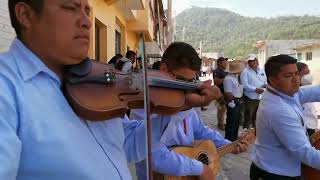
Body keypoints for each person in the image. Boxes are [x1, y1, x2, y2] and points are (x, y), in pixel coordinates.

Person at [0, 1, 218, 180]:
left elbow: (128, 145)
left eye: (86, 10)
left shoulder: (95, 81)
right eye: (70, 7)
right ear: (25, 15)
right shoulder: (7, 87)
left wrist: (179, 107)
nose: (85, 21)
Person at [129, 42, 249, 180]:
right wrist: (198, 168)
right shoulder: (143, 102)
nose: (186, 88)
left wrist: (228, 145)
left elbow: (200, 130)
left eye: (191, 82)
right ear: (164, 69)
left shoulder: (185, 95)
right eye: (182, 81)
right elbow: (152, 155)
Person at [250, 54, 320, 180]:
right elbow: (305, 153)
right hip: (275, 174)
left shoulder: (284, 92)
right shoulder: (279, 110)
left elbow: (313, 92)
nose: (296, 80)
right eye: (288, 76)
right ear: (272, 80)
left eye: (296, 74)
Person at [240, 54, 267, 129]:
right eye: (250, 61)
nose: (252, 63)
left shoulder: (261, 70)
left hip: (260, 97)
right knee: (248, 117)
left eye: (253, 61)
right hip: (249, 98)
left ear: (256, 60)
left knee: (257, 117)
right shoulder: (245, 71)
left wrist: (265, 85)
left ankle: (254, 135)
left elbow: (264, 81)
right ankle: (245, 134)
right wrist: (255, 89)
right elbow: (244, 85)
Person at [223, 62, 244, 141]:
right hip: (233, 101)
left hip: (237, 101)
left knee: (236, 122)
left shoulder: (234, 77)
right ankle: (228, 142)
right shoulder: (228, 79)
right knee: (231, 123)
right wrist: (231, 103)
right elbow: (228, 93)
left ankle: (233, 140)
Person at [297, 62, 318, 136]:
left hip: (311, 125)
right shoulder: (298, 91)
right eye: (305, 73)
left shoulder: (306, 88)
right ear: (298, 75)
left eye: (309, 72)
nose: (309, 76)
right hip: (305, 127)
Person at [213, 57, 228, 130]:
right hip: (219, 94)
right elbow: (216, 82)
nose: (226, 63)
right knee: (221, 110)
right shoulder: (217, 71)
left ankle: (221, 122)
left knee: (223, 109)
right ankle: (220, 124)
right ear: (219, 63)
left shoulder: (224, 71)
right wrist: (226, 79)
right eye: (224, 62)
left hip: (224, 93)